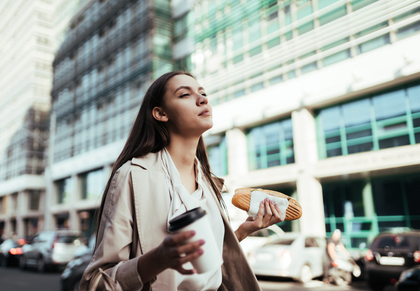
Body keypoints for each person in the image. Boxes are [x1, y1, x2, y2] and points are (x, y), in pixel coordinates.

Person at [80, 71, 284, 291]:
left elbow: (205, 265)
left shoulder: (208, 183)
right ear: (160, 113)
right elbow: (96, 282)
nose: (203, 99)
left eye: (203, 93)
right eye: (185, 94)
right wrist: (157, 259)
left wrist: (243, 231)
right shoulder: (132, 176)